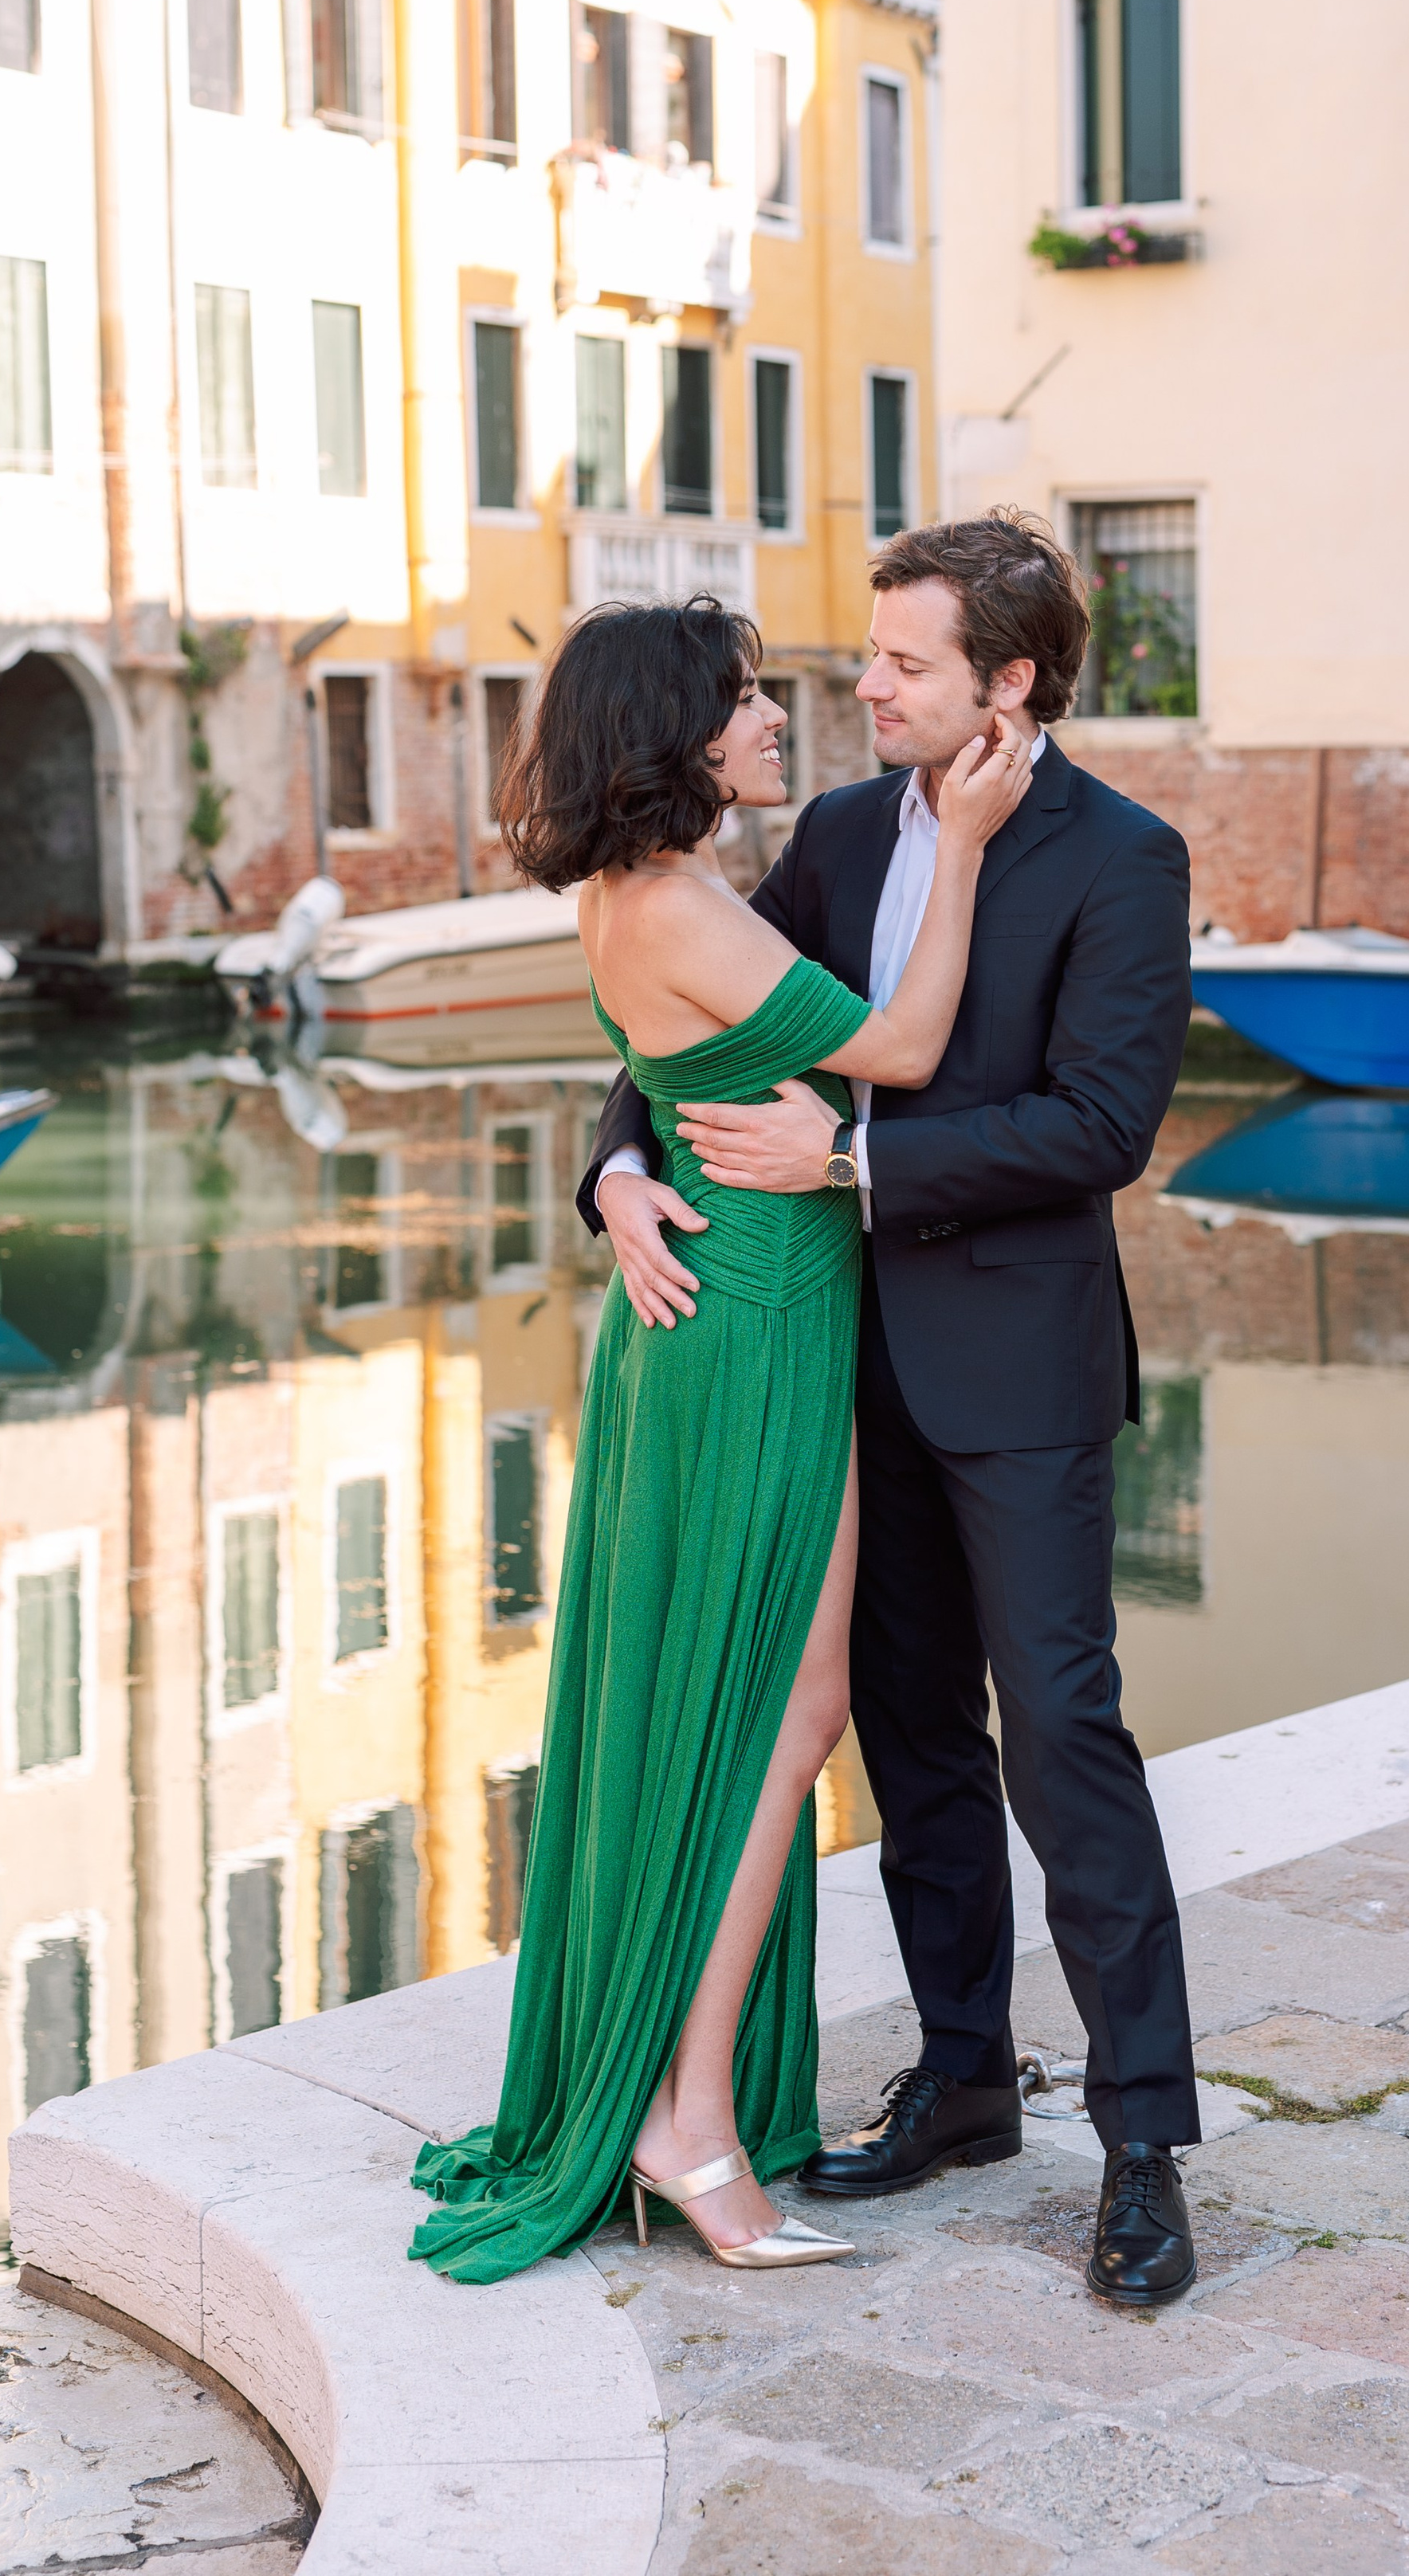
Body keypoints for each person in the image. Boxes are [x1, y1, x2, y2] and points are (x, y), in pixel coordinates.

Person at [583, 511, 1203, 2310]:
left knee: (1059, 1732)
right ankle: (957, 2082)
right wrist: (616, 1173)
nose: (864, 687)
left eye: (902, 661)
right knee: (907, 1737)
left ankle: (1143, 2142)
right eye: (865, 657)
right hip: (835, 1372)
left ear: (1008, 682)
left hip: (1015, 1370)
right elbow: (677, 1035)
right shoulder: (844, 838)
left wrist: (857, 1162)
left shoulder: (1120, 858)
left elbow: (1102, 1128)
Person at [409, 594, 1031, 2280]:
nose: (776, 722)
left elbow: (679, 1084)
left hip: (715, 1325)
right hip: (750, 1324)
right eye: (746, 702)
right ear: (674, 737)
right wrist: (963, 842)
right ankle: (684, 2109)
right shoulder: (678, 906)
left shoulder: (639, 900)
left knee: (732, 1701)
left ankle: (667, 2088)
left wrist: (619, 1170)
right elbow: (898, 1046)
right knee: (785, 1705)